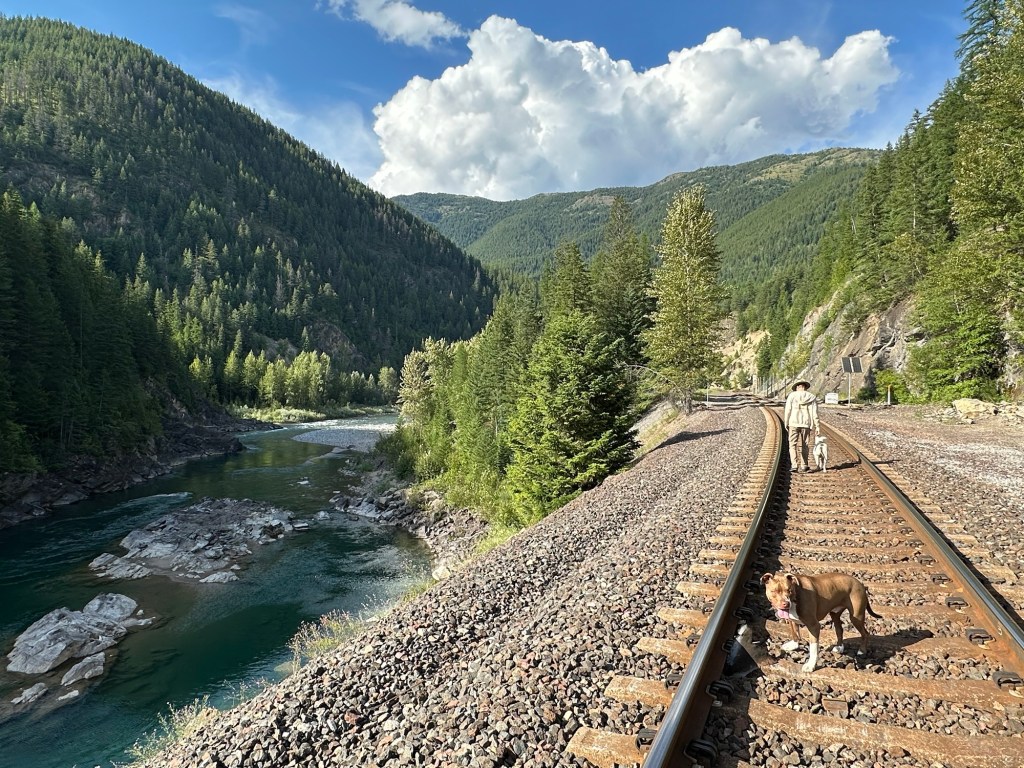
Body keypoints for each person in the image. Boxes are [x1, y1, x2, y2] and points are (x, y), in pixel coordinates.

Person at [784, 380, 820, 472]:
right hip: (806, 423)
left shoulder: (792, 396)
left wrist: (786, 422)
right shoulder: (811, 397)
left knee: (792, 444)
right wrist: (817, 426)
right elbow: (814, 413)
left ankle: (794, 465)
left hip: (793, 422)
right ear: (805, 387)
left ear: (797, 387)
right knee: (805, 445)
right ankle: (804, 466)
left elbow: (788, 410)